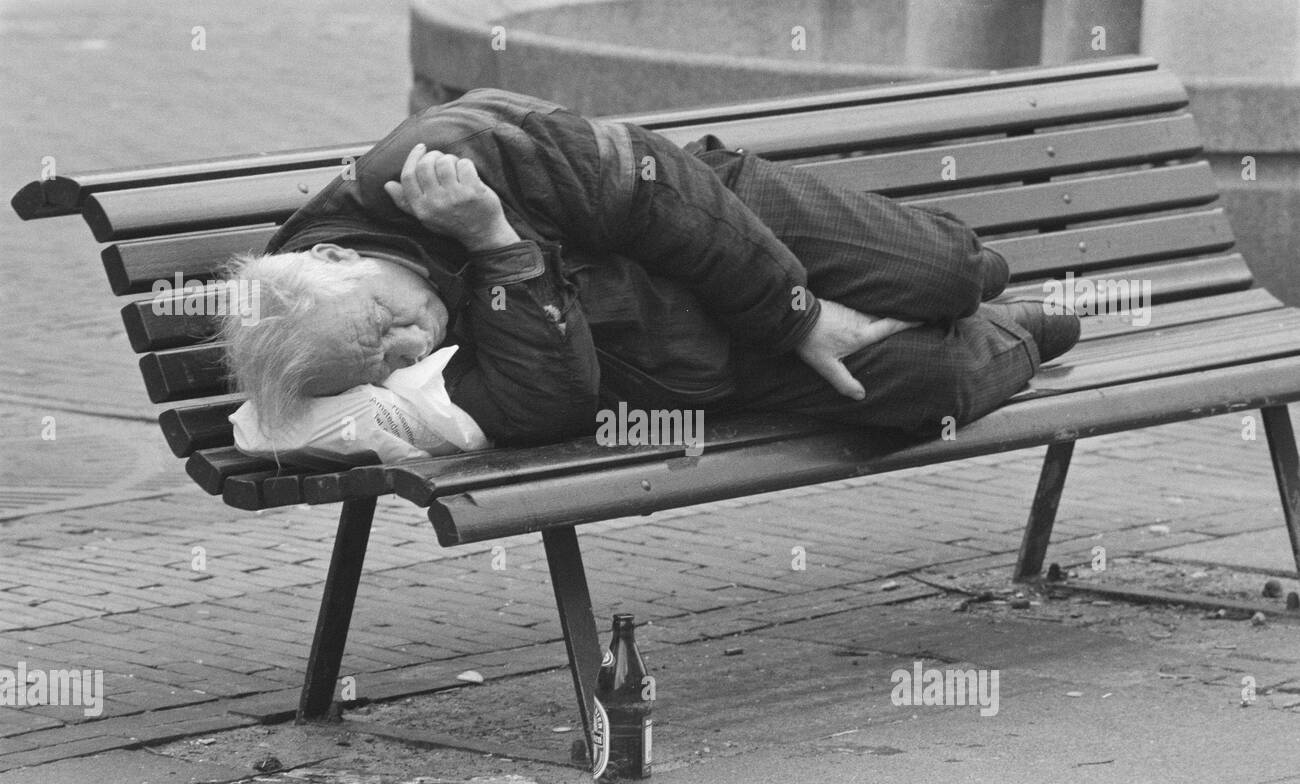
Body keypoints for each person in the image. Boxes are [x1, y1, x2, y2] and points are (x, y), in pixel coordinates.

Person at [222, 88, 1078, 456]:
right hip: (699, 360)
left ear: (333, 256)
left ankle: (974, 290)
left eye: (386, 322)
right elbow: (546, 401)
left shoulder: (436, 157)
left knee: (952, 272)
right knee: (940, 377)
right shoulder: (360, 338)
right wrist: (499, 250)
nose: (414, 345)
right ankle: (1024, 330)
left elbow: (644, 180)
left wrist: (797, 313)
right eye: (388, 362)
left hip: (726, 220)